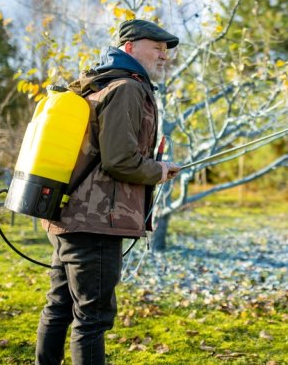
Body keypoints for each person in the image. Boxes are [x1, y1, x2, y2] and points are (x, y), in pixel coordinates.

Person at [35, 19, 181, 365]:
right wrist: (158, 171)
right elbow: (119, 160)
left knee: (60, 306)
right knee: (92, 318)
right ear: (129, 48)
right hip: (98, 221)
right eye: (156, 47)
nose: (163, 55)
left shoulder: (99, 84)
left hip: (72, 216)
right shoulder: (127, 88)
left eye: (166, 50)